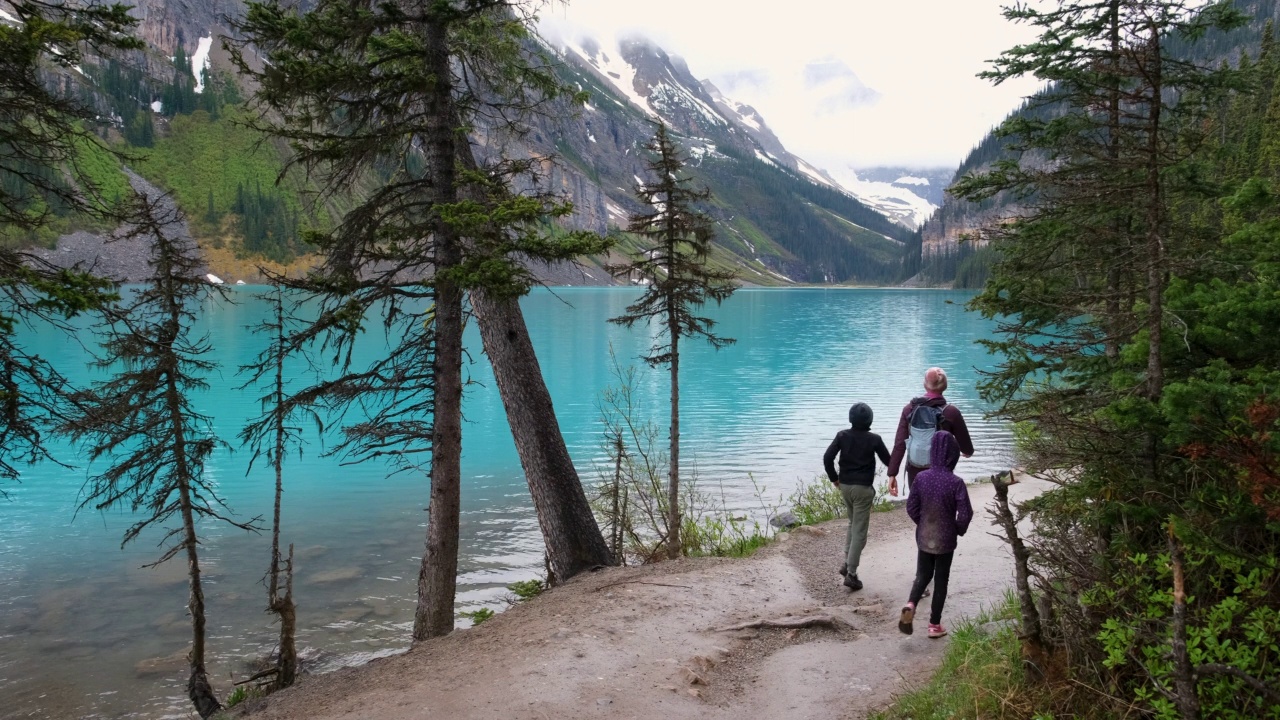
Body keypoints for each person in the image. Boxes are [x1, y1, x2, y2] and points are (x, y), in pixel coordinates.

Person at [898, 430, 973, 638]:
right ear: (953, 455)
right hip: (946, 538)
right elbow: (966, 513)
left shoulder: (921, 478)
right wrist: (958, 529)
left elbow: (911, 507)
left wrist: (921, 524)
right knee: (941, 580)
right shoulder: (956, 482)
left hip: (924, 535)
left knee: (922, 574)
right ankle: (934, 625)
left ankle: (911, 604)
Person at [823, 402, 890, 592]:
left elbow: (827, 458)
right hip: (863, 490)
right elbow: (889, 461)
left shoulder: (842, 435)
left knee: (853, 525)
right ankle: (851, 574)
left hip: (844, 486)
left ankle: (846, 563)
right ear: (870, 419)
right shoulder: (874, 439)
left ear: (850, 418)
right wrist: (894, 474)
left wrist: (834, 479)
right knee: (860, 531)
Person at [887, 367, 974, 497]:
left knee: (918, 508)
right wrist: (967, 452)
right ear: (945, 386)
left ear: (924, 384)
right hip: (942, 471)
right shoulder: (951, 412)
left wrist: (892, 473)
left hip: (915, 470)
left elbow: (900, 444)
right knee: (943, 506)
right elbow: (966, 446)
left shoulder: (909, 409)